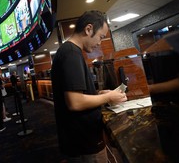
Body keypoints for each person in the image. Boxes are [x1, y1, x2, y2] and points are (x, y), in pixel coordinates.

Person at [51, 10, 127, 163]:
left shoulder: (69, 51)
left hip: (78, 139)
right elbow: (75, 102)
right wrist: (108, 96)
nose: (100, 42)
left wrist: (99, 94)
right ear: (88, 29)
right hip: (83, 142)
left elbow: (76, 93)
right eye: (101, 36)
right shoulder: (71, 53)